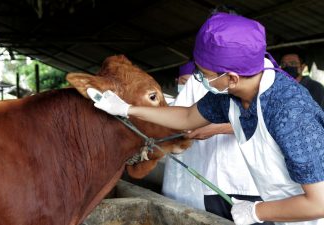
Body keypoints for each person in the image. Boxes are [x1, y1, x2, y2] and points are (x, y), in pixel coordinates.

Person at [91, 12, 324, 225]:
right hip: (279, 207)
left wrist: (257, 211)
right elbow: (186, 116)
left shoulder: (291, 113)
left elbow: (318, 203)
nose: (199, 79)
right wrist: (128, 109)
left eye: (204, 74)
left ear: (232, 77)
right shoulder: (230, 94)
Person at [163, 61, 272, 224]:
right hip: (215, 182)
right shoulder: (199, 80)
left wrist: (214, 128)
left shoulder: (264, 76)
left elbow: (265, 119)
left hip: (254, 182)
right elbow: (180, 117)